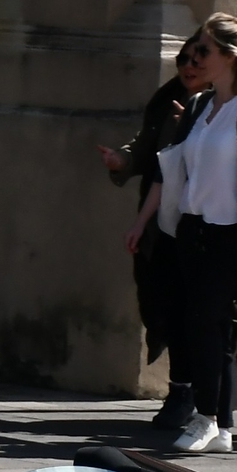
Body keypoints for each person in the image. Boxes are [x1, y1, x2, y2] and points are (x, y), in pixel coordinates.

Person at [127, 13, 237, 456]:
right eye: (194, 51)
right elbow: (170, 168)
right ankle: (221, 424)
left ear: (230, 57)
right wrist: (142, 222)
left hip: (232, 232)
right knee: (204, 326)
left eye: (204, 51)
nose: (194, 58)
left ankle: (206, 417)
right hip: (191, 228)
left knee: (206, 323)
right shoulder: (197, 107)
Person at [99, 38, 208, 427]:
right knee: (168, 306)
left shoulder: (234, 106)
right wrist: (123, 160)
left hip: (211, 224)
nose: (189, 66)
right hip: (166, 222)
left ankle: (209, 401)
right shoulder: (170, 99)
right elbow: (155, 158)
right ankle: (184, 393)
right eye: (184, 59)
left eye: (200, 59)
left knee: (206, 314)